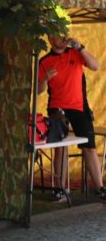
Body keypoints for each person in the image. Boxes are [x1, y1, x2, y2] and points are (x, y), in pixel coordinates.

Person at [37, 33, 104, 201]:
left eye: (63, 36)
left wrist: (80, 47)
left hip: (79, 107)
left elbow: (96, 66)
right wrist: (45, 79)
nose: (61, 39)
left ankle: (100, 188)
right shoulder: (44, 61)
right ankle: (61, 189)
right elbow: (38, 90)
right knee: (60, 148)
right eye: (56, 36)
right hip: (57, 108)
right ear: (50, 39)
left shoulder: (76, 53)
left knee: (89, 147)